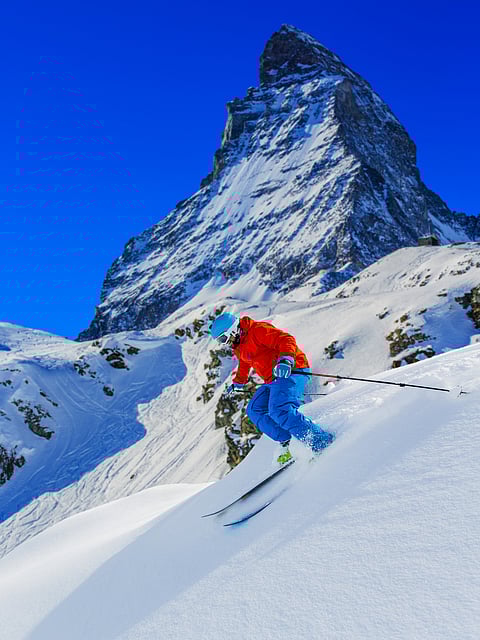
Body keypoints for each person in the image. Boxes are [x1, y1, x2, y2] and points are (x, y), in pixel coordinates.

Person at [209, 311, 335, 464]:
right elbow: (244, 363)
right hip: (272, 379)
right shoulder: (238, 344)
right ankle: (288, 442)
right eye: (220, 341)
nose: (224, 343)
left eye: (223, 338)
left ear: (232, 330)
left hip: (292, 370)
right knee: (254, 410)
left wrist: (286, 360)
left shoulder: (258, 330)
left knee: (280, 410)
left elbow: (286, 339)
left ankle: (320, 442)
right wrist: (238, 382)